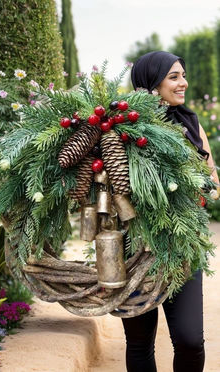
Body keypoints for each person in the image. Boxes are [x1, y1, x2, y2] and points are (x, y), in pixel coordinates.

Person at [121, 51, 220, 372]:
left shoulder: (191, 123)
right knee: (139, 343)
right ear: (151, 83)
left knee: (190, 341)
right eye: (174, 77)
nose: (184, 83)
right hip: (132, 248)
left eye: (183, 75)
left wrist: (196, 187)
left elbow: (213, 180)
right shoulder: (123, 126)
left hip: (182, 245)